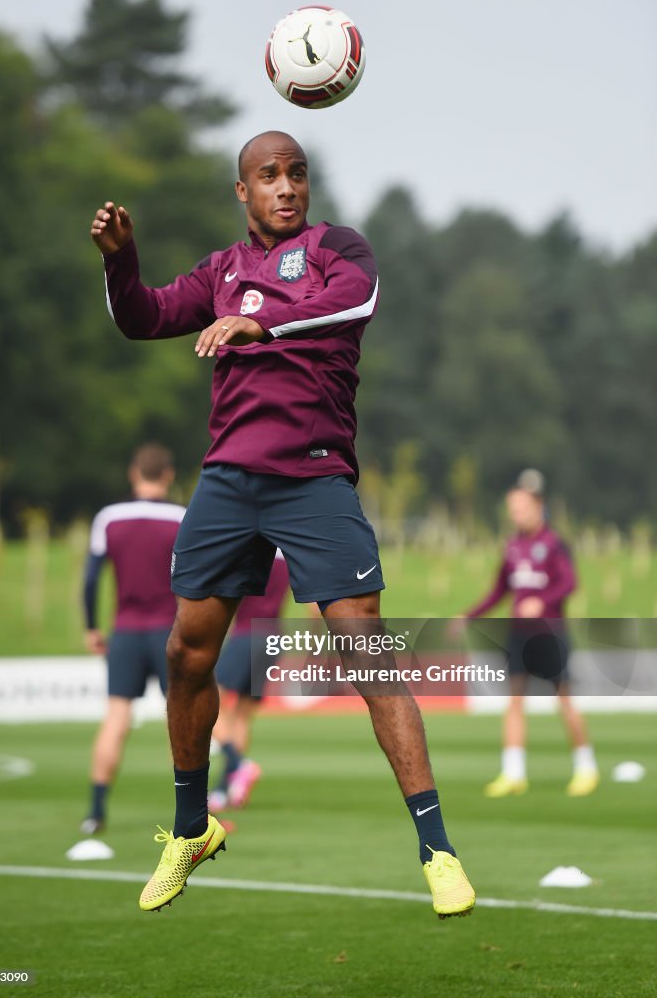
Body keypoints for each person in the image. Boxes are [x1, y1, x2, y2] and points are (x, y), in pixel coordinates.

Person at [90, 130, 475, 919]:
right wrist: (119, 261)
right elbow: (142, 318)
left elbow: (353, 302)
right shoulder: (221, 271)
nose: (285, 187)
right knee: (186, 653)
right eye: (268, 176)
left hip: (314, 477)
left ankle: (437, 849)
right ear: (243, 191)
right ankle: (192, 829)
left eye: (296, 174)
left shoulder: (338, 249)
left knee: (368, 654)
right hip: (230, 481)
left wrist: (260, 325)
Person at [459, 469, 599, 798]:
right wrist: (469, 615)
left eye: (520, 507)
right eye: (512, 509)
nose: (516, 514)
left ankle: (586, 767)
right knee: (514, 702)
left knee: (564, 701)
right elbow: (499, 590)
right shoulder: (513, 546)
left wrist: (542, 601)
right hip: (519, 636)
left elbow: (569, 582)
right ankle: (513, 773)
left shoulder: (554, 544)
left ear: (538, 506)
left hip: (550, 633)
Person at [81, 443, 185, 834]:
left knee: (116, 719)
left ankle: (95, 812)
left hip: (125, 631)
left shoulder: (109, 518)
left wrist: (92, 626)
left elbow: (91, 579)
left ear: (133, 473)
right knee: (181, 720)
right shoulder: (181, 518)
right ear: (169, 474)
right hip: (168, 631)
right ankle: (195, 814)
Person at [209, 550, 291, 812]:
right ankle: (227, 789)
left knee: (207, 703)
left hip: (246, 634)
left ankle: (237, 764)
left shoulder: (246, 549)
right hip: (273, 637)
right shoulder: (287, 555)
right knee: (242, 714)